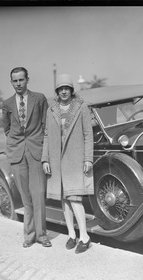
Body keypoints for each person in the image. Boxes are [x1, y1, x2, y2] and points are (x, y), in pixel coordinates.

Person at [42, 74, 94, 254]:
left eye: (67, 88)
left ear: (72, 90)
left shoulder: (82, 107)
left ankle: (85, 237)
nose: (64, 91)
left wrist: (88, 158)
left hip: (75, 159)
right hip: (56, 160)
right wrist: (45, 159)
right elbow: (47, 135)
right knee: (64, 198)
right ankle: (72, 234)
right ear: (57, 91)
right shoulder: (51, 110)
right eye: (60, 88)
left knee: (75, 198)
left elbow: (88, 134)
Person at [2, 67, 52, 248]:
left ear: (27, 80)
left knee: (38, 194)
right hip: (17, 153)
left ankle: (42, 235)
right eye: (14, 81)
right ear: (11, 82)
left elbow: (46, 127)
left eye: (21, 80)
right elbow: (7, 129)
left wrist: (44, 152)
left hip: (36, 151)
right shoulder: (7, 104)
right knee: (26, 196)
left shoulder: (39, 99)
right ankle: (29, 235)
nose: (18, 84)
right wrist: (15, 144)